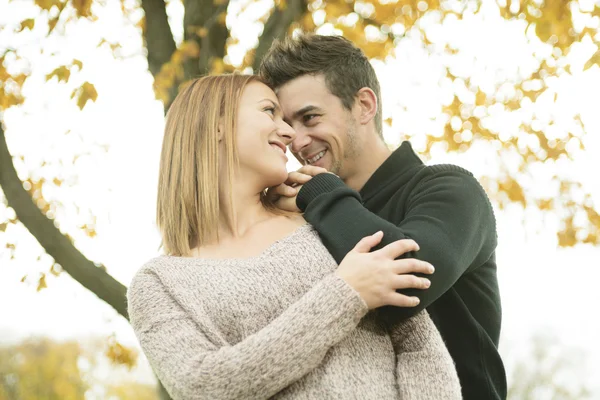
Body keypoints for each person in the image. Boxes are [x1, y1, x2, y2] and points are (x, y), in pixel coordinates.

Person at [126, 74, 461, 400]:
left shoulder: (324, 222)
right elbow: (203, 388)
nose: (288, 133)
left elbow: (418, 345)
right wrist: (346, 294)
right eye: (268, 111)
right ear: (217, 124)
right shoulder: (160, 284)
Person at [260, 33, 506, 400]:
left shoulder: (451, 189)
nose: (298, 142)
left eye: (310, 117)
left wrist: (320, 193)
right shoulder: (305, 214)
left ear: (363, 105)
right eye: (288, 127)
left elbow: (408, 279)